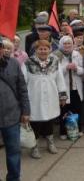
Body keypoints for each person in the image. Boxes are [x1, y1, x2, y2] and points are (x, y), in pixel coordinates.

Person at [22, 40, 67, 159]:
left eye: (45, 49)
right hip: (34, 98)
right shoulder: (28, 62)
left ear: (50, 49)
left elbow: (60, 79)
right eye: (40, 49)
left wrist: (62, 96)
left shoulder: (55, 61)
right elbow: (22, 82)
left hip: (51, 97)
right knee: (35, 123)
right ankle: (34, 147)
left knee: (49, 121)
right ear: (36, 50)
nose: (43, 51)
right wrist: (23, 101)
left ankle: (50, 143)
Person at [0, 36, 30, 181]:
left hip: (11, 115)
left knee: (13, 151)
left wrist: (26, 111)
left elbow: (22, 88)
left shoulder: (13, 63)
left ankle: (13, 178)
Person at [54, 36, 84, 140]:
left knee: (77, 110)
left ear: (72, 44)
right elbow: (55, 72)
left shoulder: (77, 54)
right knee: (64, 111)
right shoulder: (57, 56)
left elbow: (83, 70)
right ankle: (63, 131)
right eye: (65, 44)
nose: (67, 46)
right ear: (61, 45)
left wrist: (76, 68)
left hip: (75, 87)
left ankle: (78, 129)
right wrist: (65, 68)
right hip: (64, 89)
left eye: (69, 44)